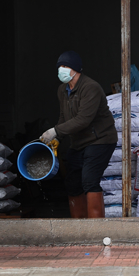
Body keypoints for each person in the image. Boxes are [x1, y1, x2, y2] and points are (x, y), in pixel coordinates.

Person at [40, 51, 116, 219]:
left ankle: (95, 228)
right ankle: (78, 226)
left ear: (75, 69)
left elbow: (83, 119)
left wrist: (56, 131)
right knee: (73, 183)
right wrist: (57, 137)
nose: (61, 70)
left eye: (65, 66)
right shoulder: (62, 90)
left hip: (100, 140)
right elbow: (63, 117)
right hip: (79, 142)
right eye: (59, 67)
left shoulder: (91, 87)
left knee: (89, 180)